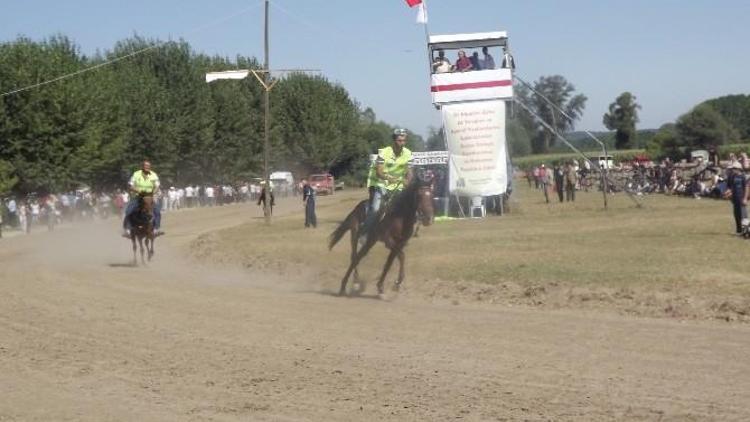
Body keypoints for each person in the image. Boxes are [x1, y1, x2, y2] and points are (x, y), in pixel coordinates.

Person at [362, 128, 414, 237]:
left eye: (404, 141)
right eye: (399, 140)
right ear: (394, 140)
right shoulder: (384, 152)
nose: (402, 143)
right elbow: (379, 172)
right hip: (380, 182)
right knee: (376, 208)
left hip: (397, 183)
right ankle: (364, 233)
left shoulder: (408, 154)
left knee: (405, 207)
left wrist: (408, 181)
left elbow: (410, 172)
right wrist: (390, 179)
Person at [122, 160, 163, 237]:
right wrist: (139, 191)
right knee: (128, 211)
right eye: (146, 166)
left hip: (150, 196)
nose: (147, 167)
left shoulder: (154, 175)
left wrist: (153, 193)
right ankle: (127, 229)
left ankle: (156, 229)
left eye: (149, 166)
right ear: (142, 166)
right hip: (138, 196)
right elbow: (131, 185)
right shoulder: (136, 174)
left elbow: (157, 186)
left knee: (157, 212)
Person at [725, 162, 748, 235]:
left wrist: (745, 198)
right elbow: (730, 186)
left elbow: (746, 188)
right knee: (737, 215)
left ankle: (746, 231)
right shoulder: (732, 176)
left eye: (734, 168)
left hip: (741, 197)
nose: (733, 170)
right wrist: (728, 192)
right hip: (735, 198)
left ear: (739, 169)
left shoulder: (743, 177)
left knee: (743, 215)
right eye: (732, 168)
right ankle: (739, 230)